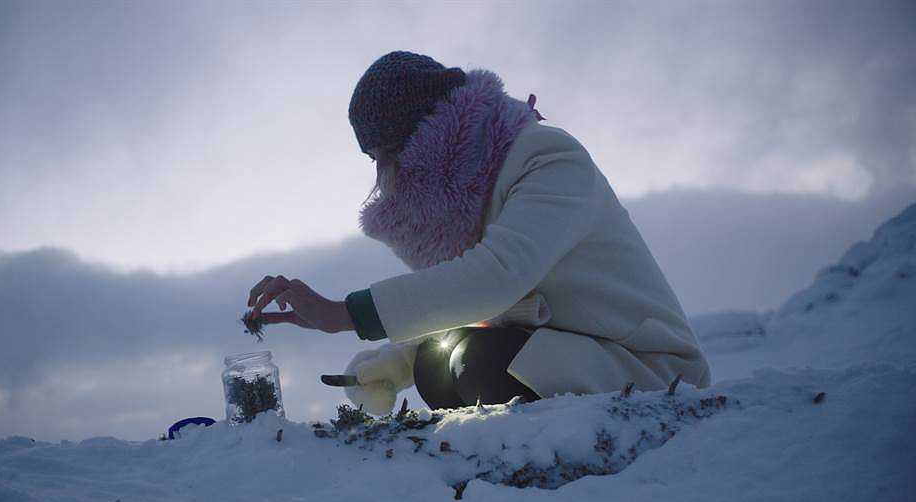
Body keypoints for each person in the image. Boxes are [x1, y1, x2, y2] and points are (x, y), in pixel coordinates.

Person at [245, 50, 711, 416]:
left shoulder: (547, 157)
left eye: (387, 152)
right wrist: (397, 362)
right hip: (566, 354)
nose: (384, 173)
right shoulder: (472, 197)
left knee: (482, 363)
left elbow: (496, 278)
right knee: (437, 366)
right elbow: (496, 309)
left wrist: (344, 314)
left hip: (646, 365)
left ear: (426, 133)